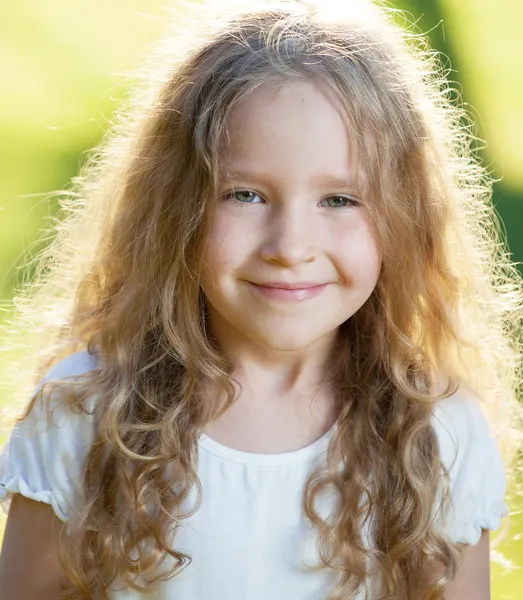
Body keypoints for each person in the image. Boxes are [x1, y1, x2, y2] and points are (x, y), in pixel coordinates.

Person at [0, 0, 521, 598]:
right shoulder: (85, 417)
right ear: (176, 205)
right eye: (245, 195)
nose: (290, 245)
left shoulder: (437, 435)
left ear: (406, 219)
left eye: (340, 200)